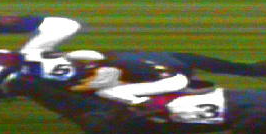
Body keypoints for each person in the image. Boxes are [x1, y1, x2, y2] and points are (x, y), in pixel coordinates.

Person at [63, 50, 194, 121]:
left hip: (170, 82)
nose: (74, 64)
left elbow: (95, 85)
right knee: (116, 85)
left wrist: (72, 88)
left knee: (104, 92)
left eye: (75, 62)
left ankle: (144, 104)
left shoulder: (107, 68)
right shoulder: (113, 58)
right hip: (171, 76)